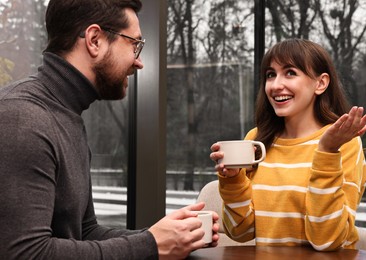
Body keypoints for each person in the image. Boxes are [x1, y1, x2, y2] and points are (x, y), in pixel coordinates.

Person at [0, 0, 219, 259]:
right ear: (95, 40)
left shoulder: (65, 114)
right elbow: (25, 253)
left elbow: (85, 231)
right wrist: (151, 245)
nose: (139, 63)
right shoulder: (22, 118)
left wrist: (167, 235)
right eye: (134, 44)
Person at [210, 38, 366, 251]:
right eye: (270, 75)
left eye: (290, 73)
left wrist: (327, 152)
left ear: (321, 83)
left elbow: (327, 240)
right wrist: (232, 180)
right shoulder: (256, 139)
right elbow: (241, 232)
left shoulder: (343, 142)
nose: (276, 85)